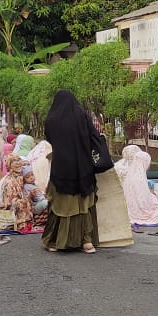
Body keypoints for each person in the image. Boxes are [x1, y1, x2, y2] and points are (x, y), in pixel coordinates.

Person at [40, 90, 113, 254]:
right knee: (84, 205)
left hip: (61, 169)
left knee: (61, 205)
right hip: (83, 167)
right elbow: (94, 136)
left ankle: (56, 241)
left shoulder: (51, 119)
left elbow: (49, 139)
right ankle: (87, 242)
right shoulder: (82, 116)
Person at [114, 145, 158, 225]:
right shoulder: (137, 179)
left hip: (121, 208)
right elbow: (144, 205)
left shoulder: (124, 171)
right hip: (139, 212)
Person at [0, 156, 35, 232]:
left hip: (17, 204)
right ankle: (21, 224)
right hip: (8, 210)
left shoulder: (18, 177)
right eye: (14, 161)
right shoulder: (9, 181)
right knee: (23, 203)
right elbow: (9, 203)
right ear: (10, 166)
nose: (18, 163)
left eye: (18, 160)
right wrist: (28, 198)